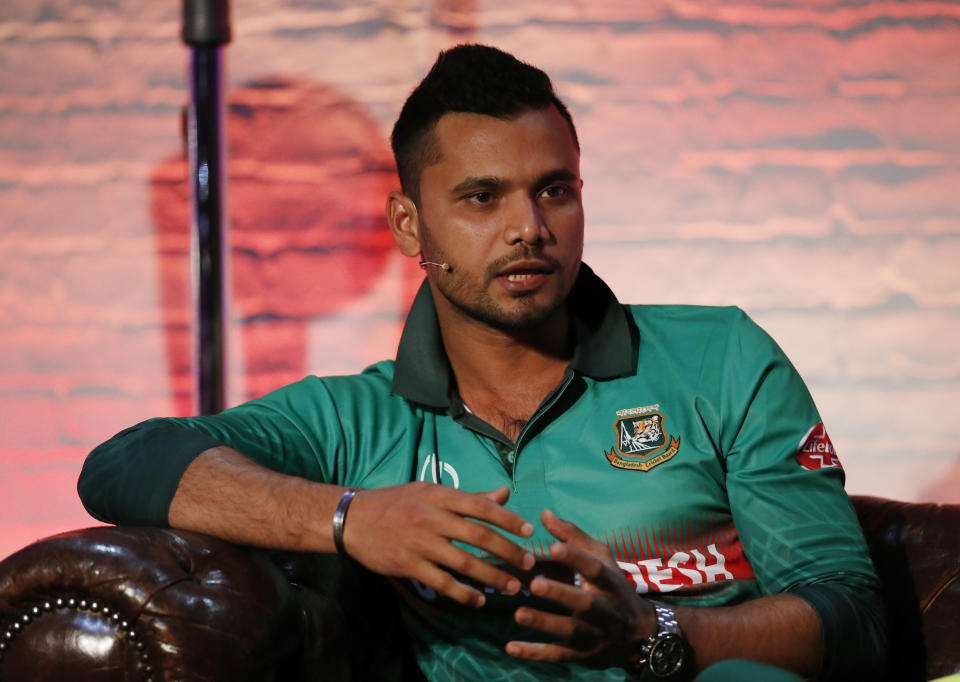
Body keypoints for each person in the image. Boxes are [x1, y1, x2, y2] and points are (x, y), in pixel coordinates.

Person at [79, 45, 886, 681]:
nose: (528, 227)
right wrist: (353, 518)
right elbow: (127, 464)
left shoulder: (720, 359)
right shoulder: (358, 419)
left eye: (554, 191)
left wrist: (651, 632)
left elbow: (851, 616)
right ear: (408, 224)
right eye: (481, 198)